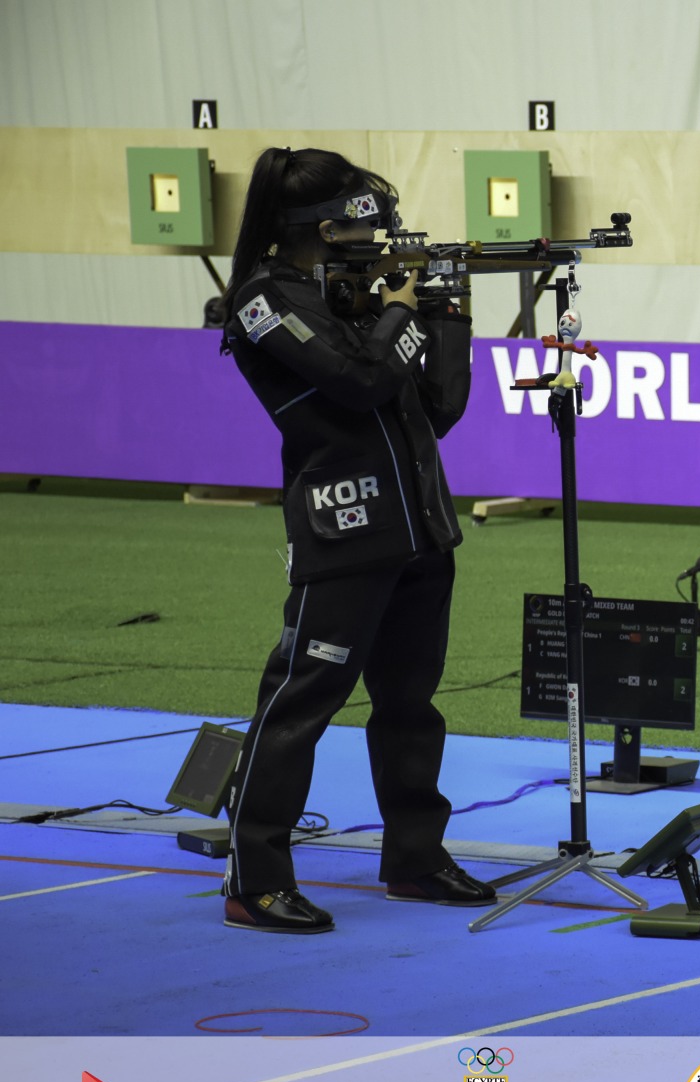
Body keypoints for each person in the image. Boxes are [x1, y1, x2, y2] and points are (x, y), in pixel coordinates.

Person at [216, 146, 495, 932]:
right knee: (300, 705)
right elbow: (360, 381)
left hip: (420, 528)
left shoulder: (357, 295)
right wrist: (400, 310)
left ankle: (415, 858)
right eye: (359, 225)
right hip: (344, 530)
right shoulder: (265, 302)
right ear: (322, 226)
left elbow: (439, 410)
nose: (376, 240)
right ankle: (254, 878)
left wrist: (446, 312)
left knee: (411, 707)